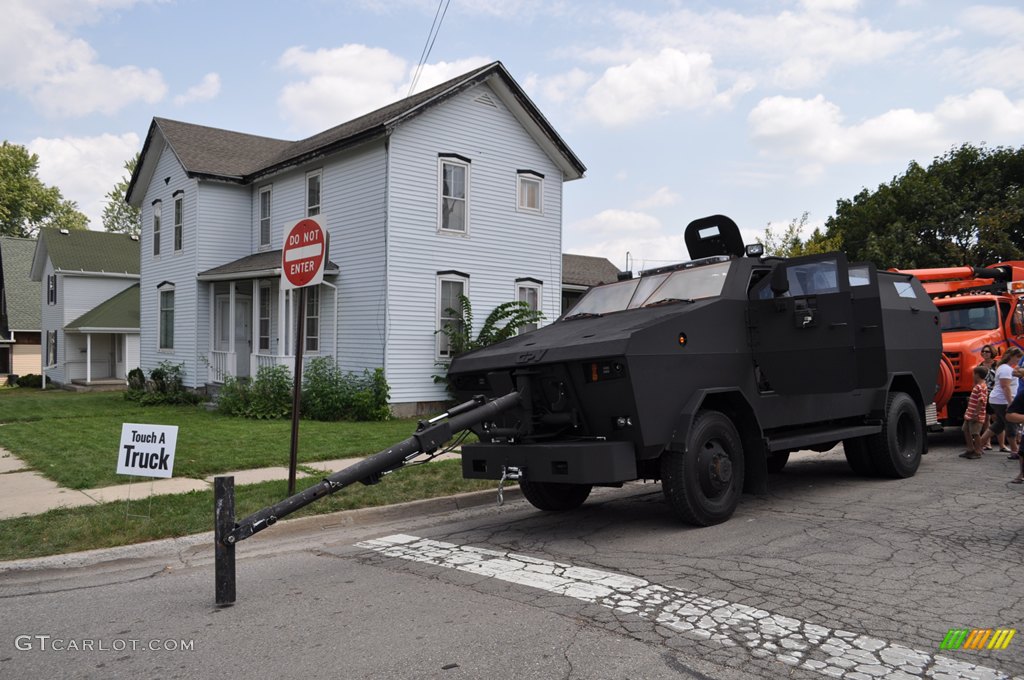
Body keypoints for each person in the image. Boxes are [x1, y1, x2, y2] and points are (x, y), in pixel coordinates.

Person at [977, 347, 1023, 456]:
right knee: (1010, 424)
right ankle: (1014, 451)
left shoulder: (1006, 368)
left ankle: (978, 445)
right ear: (1012, 356)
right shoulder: (1005, 369)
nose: (1019, 360)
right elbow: (1005, 387)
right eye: (1018, 357)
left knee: (999, 424)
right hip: (1002, 401)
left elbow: (1017, 374)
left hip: (998, 400)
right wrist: (1011, 403)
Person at [961, 365, 989, 459]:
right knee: (966, 429)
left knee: (975, 433)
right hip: (970, 414)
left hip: (975, 414)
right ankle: (970, 449)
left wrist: (976, 413)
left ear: (977, 375)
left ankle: (977, 451)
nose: (973, 376)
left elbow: (981, 401)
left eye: (974, 374)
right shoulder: (979, 385)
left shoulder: (980, 387)